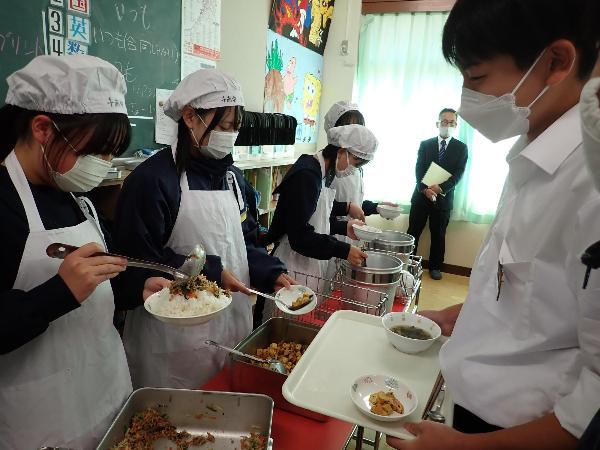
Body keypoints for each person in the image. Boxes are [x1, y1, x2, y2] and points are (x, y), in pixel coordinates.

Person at [387, 0, 600, 449]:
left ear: (557, 61)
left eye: (478, 78)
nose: (467, 101)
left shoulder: (590, 182)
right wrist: (466, 314)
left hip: (515, 429)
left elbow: (592, 403)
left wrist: (465, 447)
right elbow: (537, 294)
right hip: (470, 398)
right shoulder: (531, 146)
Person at [0, 55, 168, 449]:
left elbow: (98, 282)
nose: (104, 166)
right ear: (43, 128)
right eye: (97, 151)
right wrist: (58, 293)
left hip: (106, 397)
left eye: (111, 153)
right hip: (40, 423)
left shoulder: (77, 198)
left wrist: (135, 289)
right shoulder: (4, 203)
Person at [113, 69, 293, 389]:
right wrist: (210, 269)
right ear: (189, 117)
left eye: (234, 127)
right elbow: (135, 262)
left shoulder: (234, 180)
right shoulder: (153, 181)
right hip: (172, 341)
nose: (229, 135)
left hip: (231, 328)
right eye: (222, 126)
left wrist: (271, 271)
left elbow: (245, 242)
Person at [264, 124, 375, 289]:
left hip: (306, 259)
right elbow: (299, 236)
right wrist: (343, 250)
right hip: (293, 262)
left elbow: (316, 214)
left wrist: (344, 226)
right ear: (341, 151)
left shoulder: (319, 171)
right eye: (355, 162)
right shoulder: (307, 175)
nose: (353, 170)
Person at [407, 108, 468, 280]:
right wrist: (423, 189)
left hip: (443, 199)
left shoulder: (461, 148)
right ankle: (408, 263)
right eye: (444, 121)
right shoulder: (425, 144)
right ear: (437, 123)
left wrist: (441, 188)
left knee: (439, 234)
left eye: (451, 122)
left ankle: (435, 267)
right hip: (421, 196)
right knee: (413, 232)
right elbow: (418, 169)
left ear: (456, 125)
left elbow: (459, 174)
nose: (447, 125)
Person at [326, 101, 397, 223]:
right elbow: (320, 207)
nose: (357, 134)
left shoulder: (356, 166)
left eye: (360, 128)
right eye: (351, 128)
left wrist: (377, 207)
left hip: (350, 234)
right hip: (331, 235)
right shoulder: (327, 166)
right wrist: (347, 209)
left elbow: (355, 202)